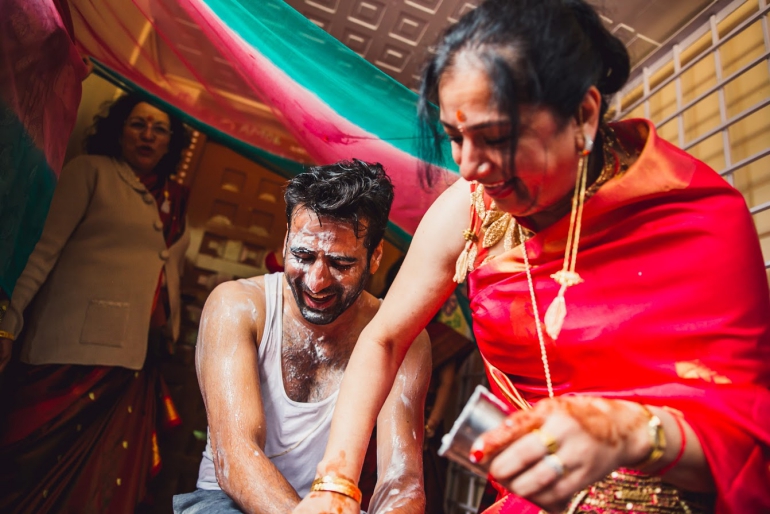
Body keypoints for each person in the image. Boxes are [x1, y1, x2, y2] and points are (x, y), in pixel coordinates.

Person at [294, 1, 770, 513]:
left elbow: (749, 439)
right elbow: (385, 340)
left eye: (496, 138)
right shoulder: (471, 210)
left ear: (583, 115)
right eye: (456, 138)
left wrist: (633, 435)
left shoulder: (697, 217)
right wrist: (334, 486)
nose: (471, 167)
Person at [173, 160, 430, 514]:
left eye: (341, 264)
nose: (315, 281)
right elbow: (236, 453)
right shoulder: (237, 306)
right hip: (226, 502)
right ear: (285, 242)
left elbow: (401, 478)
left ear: (375, 257)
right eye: (303, 255)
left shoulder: (402, 334)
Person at [0, 92, 191, 513]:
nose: (148, 135)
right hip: (68, 353)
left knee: (99, 487)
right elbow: (42, 251)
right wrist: (7, 324)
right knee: (28, 471)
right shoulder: (90, 172)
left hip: (136, 359)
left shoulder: (175, 199)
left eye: (160, 129)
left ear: (170, 143)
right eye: (138, 123)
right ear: (118, 130)